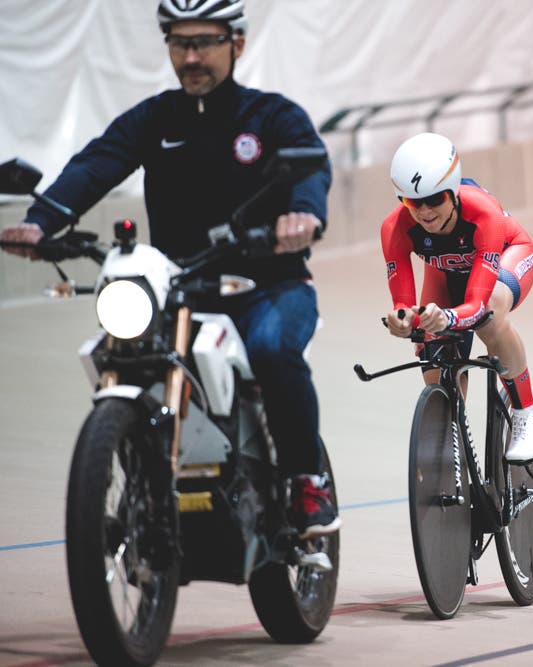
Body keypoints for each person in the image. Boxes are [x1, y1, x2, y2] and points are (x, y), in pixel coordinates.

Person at [0, 0, 339, 537]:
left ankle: (304, 479)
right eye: (180, 43)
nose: (192, 56)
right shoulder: (155, 118)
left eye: (204, 42)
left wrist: (303, 215)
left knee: (274, 348)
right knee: (122, 350)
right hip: (179, 289)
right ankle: (145, 485)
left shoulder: (273, 117)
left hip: (269, 285)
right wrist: (41, 223)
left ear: (238, 44)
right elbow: (95, 165)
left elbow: (309, 169)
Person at [380, 132, 533, 462]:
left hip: (506, 260)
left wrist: (449, 317)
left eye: (435, 199)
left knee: (490, 320)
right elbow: (404, 305)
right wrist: (405, 320)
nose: (424, 212)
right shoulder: (394, 228)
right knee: (433, 354)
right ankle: (452, 438)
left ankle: (526, 411)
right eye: (413, 202)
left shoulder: (484, 214)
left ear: (453, 192)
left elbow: (478, 304)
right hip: (446, 275)